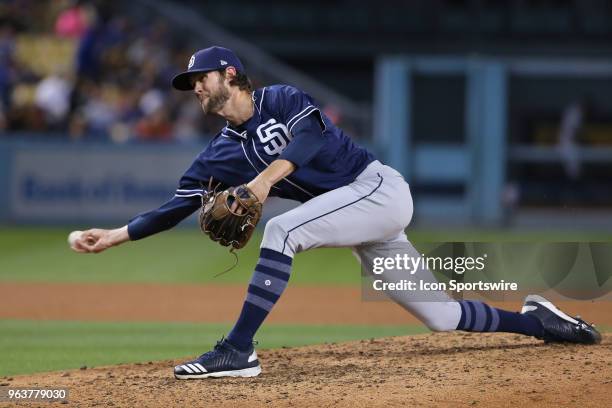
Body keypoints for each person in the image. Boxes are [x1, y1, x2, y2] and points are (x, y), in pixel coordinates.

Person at [72, 46, 601, 380]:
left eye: (201, 79)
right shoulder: (219, 152)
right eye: (190, 85)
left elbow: (309, 135)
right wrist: (117, 234)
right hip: (361, 222)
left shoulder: (280, 98)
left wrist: (260, 184)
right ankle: (540, 323)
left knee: (282, 227)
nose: (195, 89)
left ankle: (237, 350)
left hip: (378, 191)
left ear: (230, 74)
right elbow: (179, 204)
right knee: (441, 317)